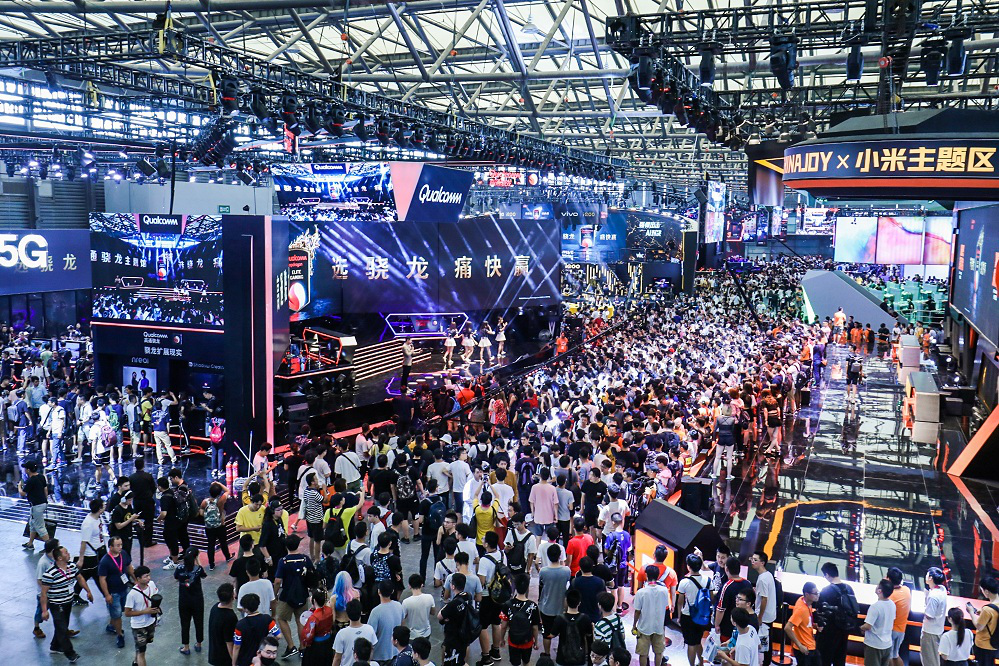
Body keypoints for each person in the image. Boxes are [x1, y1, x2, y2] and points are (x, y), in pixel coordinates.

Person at [41, 545, 91, 663]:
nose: (68, 554)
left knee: (62, 626)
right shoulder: (50, 574)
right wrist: (44, 610)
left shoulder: (71, 567)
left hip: (68, 602)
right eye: (66, 553)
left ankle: (54, 646)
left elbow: (80, 578)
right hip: (57, 605)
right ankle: (70, 653)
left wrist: (88, 591)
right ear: (59, 558)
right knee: (62, 629)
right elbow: (43, 593)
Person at [274, 534, 315, 658]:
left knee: (281, 618)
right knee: (300, 620)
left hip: (286, 596)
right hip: (302, 594)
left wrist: (275, 594)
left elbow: (277, 581)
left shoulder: (283, 561)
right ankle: (302, 648)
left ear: (286, 546)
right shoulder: (305, 559)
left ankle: (291, 646)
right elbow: (312, 575)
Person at [98, 535, 135, 649]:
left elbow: (129, 567)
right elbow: (102, 579)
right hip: (113, 593)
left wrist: (135, 579)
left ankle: (111, 625)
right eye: (117, 545)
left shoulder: (123, 554)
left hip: (124, 588)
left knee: (119, 610)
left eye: (121, 545)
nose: (120, 547)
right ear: (110, 547)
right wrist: (107, 594)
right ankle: (120, 635)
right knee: (117, 614)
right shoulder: (105, 561)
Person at [816, 562, 857, 666]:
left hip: (829, 632)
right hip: (844, 630)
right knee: (839, 659)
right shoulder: (849, 588)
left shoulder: (826, 591)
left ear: (827, 575)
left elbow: (820, 611)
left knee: (824, 659)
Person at [676, 553, 711, 666]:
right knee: (698, 641)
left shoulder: (684, 582)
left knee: (691, 644)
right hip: (702, 616)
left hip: (688, 616)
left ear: (688, 567)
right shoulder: (708, 580)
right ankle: (701, 663)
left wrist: (679, 616)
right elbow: (711, 598)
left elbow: (680, 601)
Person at [124, 565, 163, 666]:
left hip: (151, 622)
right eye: (146, 576)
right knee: (142, 652)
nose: (149, 578)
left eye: (149, 575)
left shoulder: (151, 584)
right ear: (138, 579)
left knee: (142, 647)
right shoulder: (132, 594)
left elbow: (154, 597)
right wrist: (145, 611)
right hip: (139, 626)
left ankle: (135, 662)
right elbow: (127, 613)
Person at [633, 564, 671, 666]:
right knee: (659, 652)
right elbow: (666, 606)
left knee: (643, 653)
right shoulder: (664, 591)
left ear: (646, 575)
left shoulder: (641, 592)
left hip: (644, 627)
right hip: (659, 626)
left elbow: (637, 611)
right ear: (658, 576)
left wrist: (634, 625)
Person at [538, 543, 571, 656]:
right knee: (563, 632)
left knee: (546, 633)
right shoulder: (566, 571)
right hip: (562, 607)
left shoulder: (543, 571)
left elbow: (541, 584)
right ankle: (561, 653)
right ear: (560, 555)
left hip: (546, 607)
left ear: (548, 556)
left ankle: (547, 653)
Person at [501, 574, 542, 666]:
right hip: (527, 641)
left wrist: (501, 639)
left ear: (515, 586)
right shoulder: (533, 606)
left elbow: (503, 626)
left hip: (513, 640)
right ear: (527, 587)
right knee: (526, 662)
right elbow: (535, 627)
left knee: (515, 663)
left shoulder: (507, 604)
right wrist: (536, 641)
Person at [233, 593, 283, 666]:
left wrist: (233, 663)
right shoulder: (267, 619)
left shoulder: (240, 625)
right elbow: (278, 636)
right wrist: (267, 642)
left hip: (245, 659)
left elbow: (237, 646)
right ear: (258, 605)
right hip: (262, 658)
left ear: (245, 609)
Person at [175, 546, 208, 655]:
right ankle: (198, 644)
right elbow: (204, 576)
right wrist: (198, 561)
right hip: (197, 600)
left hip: (184, 600)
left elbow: (176, 577)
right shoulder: (198, 569)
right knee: (199, 621)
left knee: (185, 623)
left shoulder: (179, 568)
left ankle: (186, 647)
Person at [438, 572, 474, 666]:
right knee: (462, 660)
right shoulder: (468, 596)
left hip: (453, 636)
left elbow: (440, 616)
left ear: (453, 586)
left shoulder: (453, 604)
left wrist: (447, 608)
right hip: (464, 631)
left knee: (451, 661)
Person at [76, 497, 106, 604]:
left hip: (100, 551)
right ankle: (106, 594)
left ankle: (75, 594)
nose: (105, 506)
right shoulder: (88, 523)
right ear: (99, 509)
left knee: (89, 574)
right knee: (94, 575)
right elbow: (83, 542)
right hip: (91, 554)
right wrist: (81, 559)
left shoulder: (98, 518)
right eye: (103, 505)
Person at [861, 579, 896, 666]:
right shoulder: (892, 604)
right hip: (887, 644)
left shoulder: (875, 607)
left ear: (879, 591)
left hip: (874, 645)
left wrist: (860, 628)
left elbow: (868, 626)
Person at [332, 598, 378, 666]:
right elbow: (373, 649)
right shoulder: (370, 629)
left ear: (347, 615)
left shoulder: (341, 634)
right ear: (361, 612)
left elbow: (337, 658)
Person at [553, 588, 593, 666]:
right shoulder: (585, 618)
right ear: (579, 603)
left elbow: (553, 634)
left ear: (566, 601)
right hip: (579, 658)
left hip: (562, 658)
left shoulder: (559, 618)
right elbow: (589, 635)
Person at [750, 551, 777, 666]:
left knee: (763, 641)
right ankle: (765, 662)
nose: (752, 561)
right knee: (767, 641)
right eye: (752, 559)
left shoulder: (762, 579)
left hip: (764, 616)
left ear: (762, 562)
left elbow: (764, 599)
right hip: (770, 614)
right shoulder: (768, 575)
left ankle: (762, 662)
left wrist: (760, 617)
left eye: (755, 560)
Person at [369, 581, 405, 664]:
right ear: (392, 591)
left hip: (379, 655)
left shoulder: (376, 612)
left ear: (379, 591)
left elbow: (370, 634)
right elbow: (403, 625)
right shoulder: (399, 606)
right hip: (395, 651)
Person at [967, 576, 999, 666]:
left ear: (987, 592)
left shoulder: (987, 610)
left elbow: (979, 626)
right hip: (995, 644)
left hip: (984, 645)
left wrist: (971, 612)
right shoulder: (992, 608)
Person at [786, 582, 819, 666]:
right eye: (815, 593)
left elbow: (805, 622)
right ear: (807, 594)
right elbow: (787, 628)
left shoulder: (805, 602)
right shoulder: (801, 609)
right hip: (804, 648)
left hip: (810, 644)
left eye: (817, 592)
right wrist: (800, 646)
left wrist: (814, 626)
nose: (817, 595)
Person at [19, 459, 50, 549]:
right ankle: (30, 543)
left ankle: (51, 547)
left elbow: (23, 493)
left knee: (40, 527)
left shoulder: (31, 480)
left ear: (28, 470)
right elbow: (45, 489)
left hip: (36, 506)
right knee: (32, 524)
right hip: (42, 503)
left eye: (25, 468)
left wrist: (19, 486)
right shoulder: (41, 476)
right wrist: (45, 500)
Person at [300, 588, 335, 666]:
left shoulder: (314, 618)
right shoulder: (329, 610)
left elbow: (307, 637)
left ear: (314, 600)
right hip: (327, 642)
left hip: (316, 646)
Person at [202, 481, 232, 571]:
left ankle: (211, 564)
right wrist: (219, 483)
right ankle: (227, 556)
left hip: (209, 527)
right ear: (219, 493)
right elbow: (228, 490)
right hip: (220, 525)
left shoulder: (205, 502)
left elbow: (201, 512)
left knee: (210, 544)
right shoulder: (221, 500)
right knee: (223, 542)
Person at [921, 567, 948, 666]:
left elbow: (929, 615)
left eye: (927, 574)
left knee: (929, 660)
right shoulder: (942, 589)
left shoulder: (933, 596)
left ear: (931, 578)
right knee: (933, 658)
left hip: (930, 633)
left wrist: (924, 607)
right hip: (937, 629)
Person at [207, 583, 239, 666]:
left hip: (214, 652)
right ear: (233, 596)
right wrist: (234, 662)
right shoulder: (230, 617)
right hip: (224, 658)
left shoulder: (215, 607)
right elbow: (229, 642)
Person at [886, 567, 911, 666]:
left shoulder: (890, 596)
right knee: (895, 655)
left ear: (888, 579)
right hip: (901, 630)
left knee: (889, 657)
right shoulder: (906, 590)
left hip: (891, 630)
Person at [402, 574, 436, 640]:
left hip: (413, 635)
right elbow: (433, 612)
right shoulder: (429, 597)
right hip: (426, 633)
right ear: (421, 585)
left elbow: (403, 618)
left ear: (409, 586)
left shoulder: (406, 602)